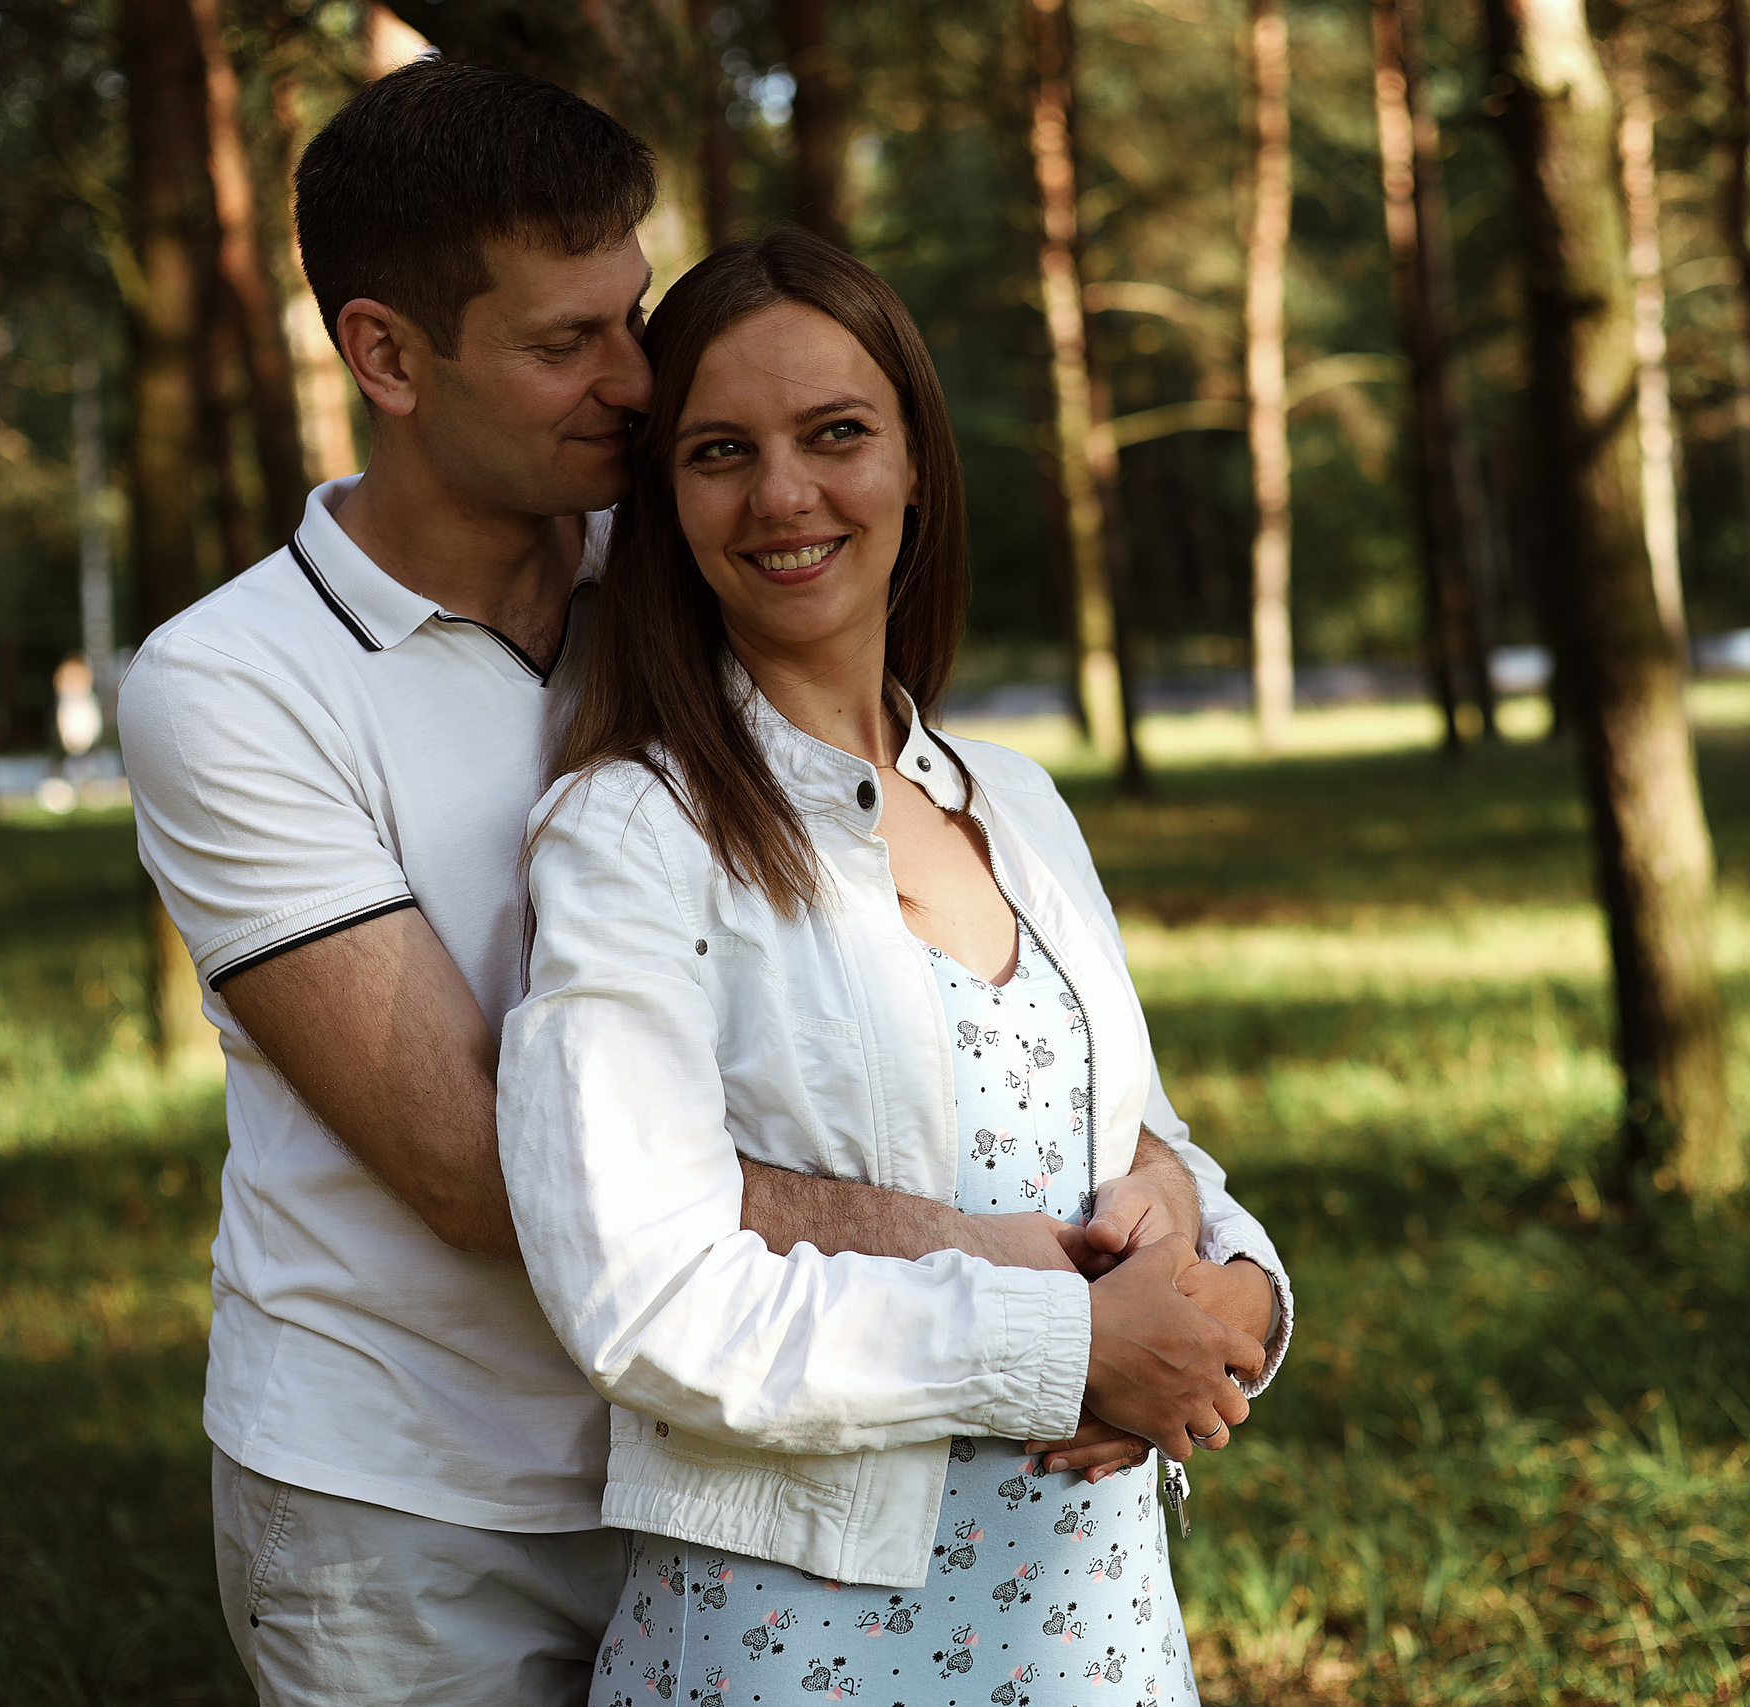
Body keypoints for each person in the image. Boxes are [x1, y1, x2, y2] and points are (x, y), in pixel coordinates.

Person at [121, 61, 1278, 1707]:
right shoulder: (233, 686)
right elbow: (488, 1172)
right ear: (386, 355)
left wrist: (1160, 1197)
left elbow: (935, 969)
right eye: (563, 344)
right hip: (422, 1492)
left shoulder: (688, 572)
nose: (635, 382)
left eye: (635, 314)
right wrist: (1043, 1286)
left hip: (764, 1476)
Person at [499, 229, 1293, 1707]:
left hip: (1094, 1628)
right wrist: (1066, 1347)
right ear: (664, 502)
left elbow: (1140, 1147)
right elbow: (643, 1299)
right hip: (802, 1648)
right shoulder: (631, 834)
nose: (783, 495)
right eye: (720, 452)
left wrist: (1241, 1294)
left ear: (916, 460)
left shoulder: (1016, 803)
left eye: (837, 434)